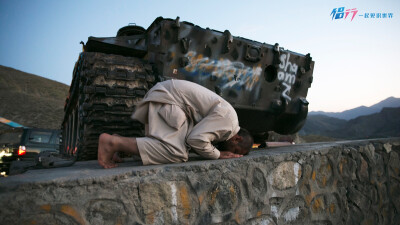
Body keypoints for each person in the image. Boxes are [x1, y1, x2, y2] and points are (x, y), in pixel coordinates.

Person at [98, 80, 253, 169]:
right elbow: (195, 139)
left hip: (167, 99)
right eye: (235, 150)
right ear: (237, 139)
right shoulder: (229, 123)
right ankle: (112, 143)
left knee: (170, 148)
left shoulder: (229, 119)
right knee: (176, 153)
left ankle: (121, 143)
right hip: (168, 99)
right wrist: (218, 155)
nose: (231, 154)